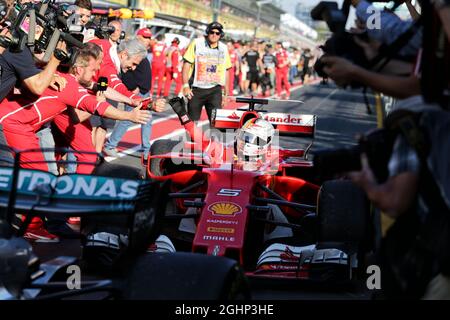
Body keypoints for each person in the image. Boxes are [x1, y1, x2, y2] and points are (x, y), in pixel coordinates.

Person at [104, 28, 156, 162]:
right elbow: (125, 73)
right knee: (126, 119)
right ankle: (111, 144)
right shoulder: (131, 53)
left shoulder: (141, 54)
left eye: (149, 38)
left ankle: (146, 149)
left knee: (146, 120)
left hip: (144, 92)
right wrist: (133, 90)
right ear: (138, 37)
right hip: (135, 93)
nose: (148, 40)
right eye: (145, 37)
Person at [182, 21, 232, 124]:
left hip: (215, 91)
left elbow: (226, 70)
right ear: (207, 32)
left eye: (217, 33)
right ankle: (193, 141)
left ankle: (213, 140)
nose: (214, 35)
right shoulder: (196, 43)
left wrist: (226, 93)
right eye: (212, 32)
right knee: (192, 123)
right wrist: (185, 86)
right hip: (196, 90)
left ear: (220, 35)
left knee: (216, 123)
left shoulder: (224, 48)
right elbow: (186, 65)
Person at [151, 34, 166, 98]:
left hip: (154, 62)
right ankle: (158, 94)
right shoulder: (164, 46)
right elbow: (166, 54)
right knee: (160, 80)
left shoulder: (154, 45)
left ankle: (151, 93)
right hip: (161, 64)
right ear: (163, 39)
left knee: (152, 79)